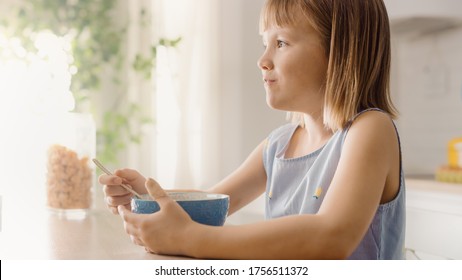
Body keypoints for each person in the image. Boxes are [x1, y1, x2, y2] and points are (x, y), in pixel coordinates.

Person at [99, 0, 405, 259]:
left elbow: (332, 236)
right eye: (265, 44)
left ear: (340, 50)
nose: (262, 60)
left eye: (281, 43)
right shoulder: (279, 145)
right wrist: (146, 199)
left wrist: (190, 238)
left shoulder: (370, 130)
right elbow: (211, 204)